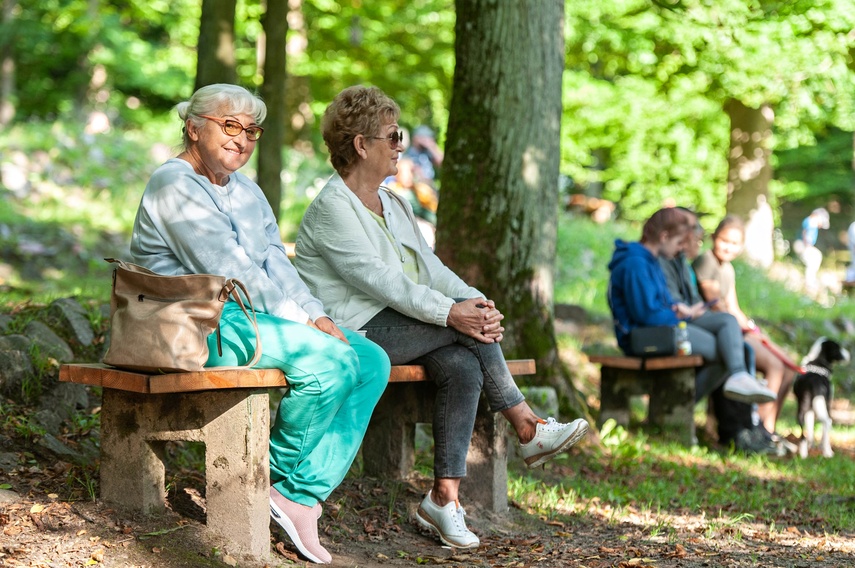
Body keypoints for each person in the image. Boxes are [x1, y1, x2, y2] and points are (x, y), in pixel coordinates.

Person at [295, 85, 588, 550]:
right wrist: (454, 315)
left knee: (463, 363)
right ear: (360, 144)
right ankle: (527, 425)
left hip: (402, 324)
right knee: (462, 333)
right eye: (393, 136)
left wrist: (478, 304)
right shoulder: (332, 208)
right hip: (352, 332)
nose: (401, 147)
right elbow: (382, 283)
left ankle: (443, 499)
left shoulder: (394, 203)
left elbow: (429, 269)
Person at [129, 84, 390, 565]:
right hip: (192, 322)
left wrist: (317, 314)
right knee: (329, 359)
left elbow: (276, 264)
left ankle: (297, 497)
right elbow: (233, 275)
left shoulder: (246, 189)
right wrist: (310, 329)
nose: (242, 139)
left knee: (372, 359)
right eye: (230, 126)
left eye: (251, 130)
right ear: (193, 128)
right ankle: (267, 485)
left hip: (253, 314)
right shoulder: (175, 185)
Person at [607, 207, 776, 407]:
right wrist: (678, 315)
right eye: (679, 243)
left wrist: (680, 308)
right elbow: (646, 315)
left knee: (727, 321)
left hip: (662, 327)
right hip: (643, 336)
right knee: (727, 350)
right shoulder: (636, 263)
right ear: (663, 236)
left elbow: (660, 302)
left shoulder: (649, 261)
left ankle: (738, 377)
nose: (681, 249)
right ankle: (677, 406)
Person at [659, 210, 779, 455]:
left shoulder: (685, 263)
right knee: (732, 342)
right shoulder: (694, 262)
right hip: (672, 328)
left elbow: (723, 306)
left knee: (741, 348)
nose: (697, 241)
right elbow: (704, 304)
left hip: (696, 321)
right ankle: (735, 431)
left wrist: (752, 329)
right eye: (696, 236)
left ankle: (748, 429)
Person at [693, 215, 797, 438]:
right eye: (724, 241)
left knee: (789, 367)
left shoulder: (727, 269)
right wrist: (748, 331)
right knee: (775, 366)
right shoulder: (706, 262)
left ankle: (770, 427)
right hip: (719, 329)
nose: (728, 248)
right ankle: (758, 429)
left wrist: (755, 330)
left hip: (734, 325)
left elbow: (734, 307)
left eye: (734, 244)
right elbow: (716, 305)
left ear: (741, 246)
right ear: (714, 238)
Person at [794, 207, 830, 293]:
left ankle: (810, 280)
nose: (821, 225)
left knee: (816, 256)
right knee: (814, 259)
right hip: (802, 245)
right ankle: (809, 283)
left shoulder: (811, 222)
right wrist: (808, 246)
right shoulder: (811, 221)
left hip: (803, 245)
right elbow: (806, 234)